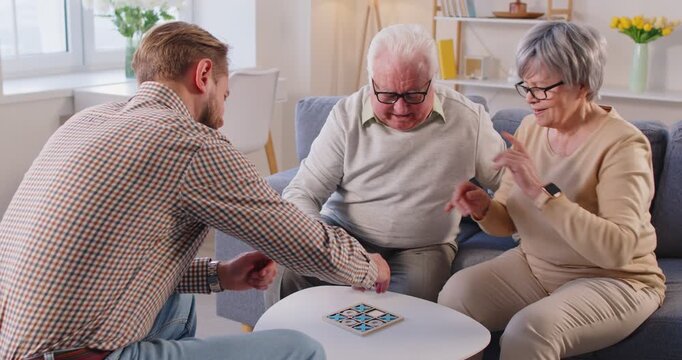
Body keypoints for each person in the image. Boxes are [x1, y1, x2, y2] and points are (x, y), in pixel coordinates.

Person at [0, 21, 390, 360]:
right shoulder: (189, 142)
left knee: (180, 305)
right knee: (303, 350)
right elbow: (299, 240)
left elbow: (119, 262)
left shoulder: (85, 121)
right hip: (82, 353)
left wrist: (220, 274)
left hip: (17, 341)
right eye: (224, 92)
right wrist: (368, 266)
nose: (223, 108)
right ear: (203, 74)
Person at [438, 22, 666, 359]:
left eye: (542, 88)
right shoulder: (531, 127)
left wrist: (543, 194)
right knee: (455, 297)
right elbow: (508, 222)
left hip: (614, 279)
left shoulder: (623, 144)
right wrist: (484, 208)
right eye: (525, 86)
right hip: (536, 266)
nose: (530, 99)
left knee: (529, 332)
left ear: (583, 85)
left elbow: (617, 249)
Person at [278, 23, 506, 303]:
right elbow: (301, 192)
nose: (400, 109)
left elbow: (510, 186)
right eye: (387, 95)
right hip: (347, 235)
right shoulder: (346, 116)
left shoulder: (470, 120)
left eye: (413, 95)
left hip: (424, 247)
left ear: (432, 80)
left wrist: (490, 206)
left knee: (412, 303)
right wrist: (328, 247)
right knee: (291, 274)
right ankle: (298, 347)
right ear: (370, 81)